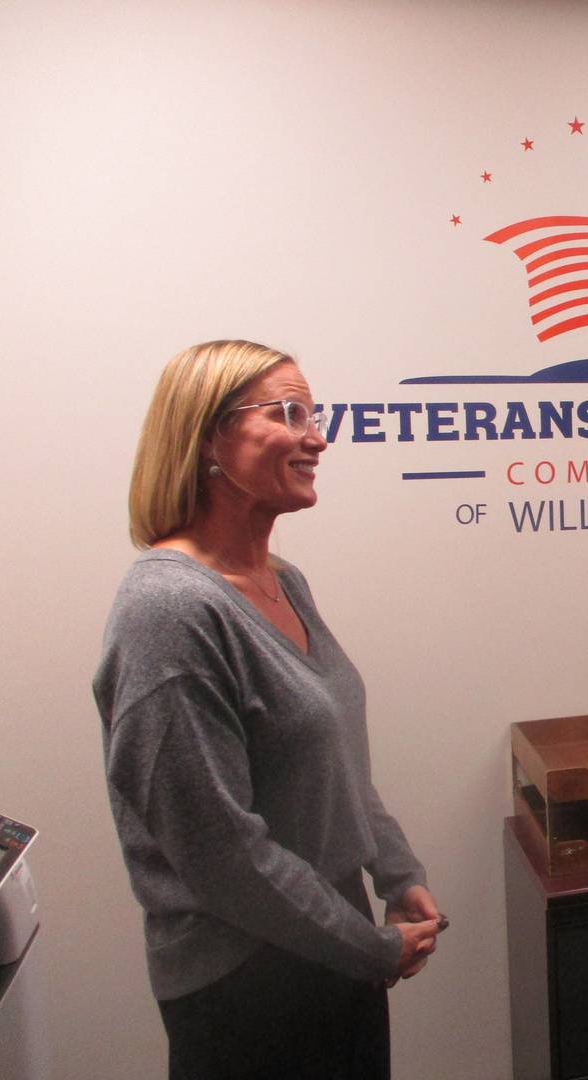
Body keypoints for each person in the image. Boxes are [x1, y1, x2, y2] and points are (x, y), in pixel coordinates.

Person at [94, 340, 444, 1080]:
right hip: (245, 985)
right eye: (288, 413)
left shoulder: (284, 581)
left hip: (329, 949)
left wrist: (396, 872)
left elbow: (334, 757)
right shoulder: (169, 609)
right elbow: (221, 853)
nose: (316, 436)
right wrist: (369, 947)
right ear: (208, 437)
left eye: (313, 414)